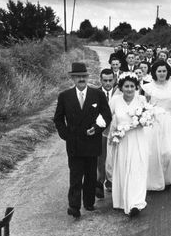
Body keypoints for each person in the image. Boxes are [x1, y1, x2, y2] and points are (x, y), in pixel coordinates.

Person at [53, 62, 113, 218]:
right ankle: (74, 206)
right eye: (77, 76)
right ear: (73, 78)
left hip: (92, 141)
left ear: (87, 77)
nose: (81, 79)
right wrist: (66, 134)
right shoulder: (64, 96)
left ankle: (88, 202)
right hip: (74, 143)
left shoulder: (97, 95)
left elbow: (107, 115)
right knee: (75, 176)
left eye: (83, 76)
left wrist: (97, 128)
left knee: (91, 174)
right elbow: (58, 119)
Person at [108, 73, 150, 217]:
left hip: (137, 138)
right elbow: (108, 117)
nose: (129, 89)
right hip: (122, 140)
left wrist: (143, 121)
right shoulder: (115, 100)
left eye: (132, 86)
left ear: (136, 87)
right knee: (123, 167)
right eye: (126, 86)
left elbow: (149, 117)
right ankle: (121, 200)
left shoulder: (141, 99)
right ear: (121, 87)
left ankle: (136, 203)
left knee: (137, 169)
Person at [142, 60, 171, 189]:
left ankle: (167, 178)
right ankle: (155, 180)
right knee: (154, 152)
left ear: (167, 71)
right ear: (155, 72)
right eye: (159, 71)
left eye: (164, 71)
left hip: (169, 121)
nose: (162, 73)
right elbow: (145, 105)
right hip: (154, 122)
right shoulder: (149, 87)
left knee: (168, 152)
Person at [97, 68, 120, 196]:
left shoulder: (119, 93)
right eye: (105, 80)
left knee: (114, 156)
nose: (108, 83)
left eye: (110, 80)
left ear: (114, 80)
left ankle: (111, 180)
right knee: (101, 157)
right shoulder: (95, 93)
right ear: (100, 80)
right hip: (101, 131)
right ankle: (100, 182)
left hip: (115, 130)